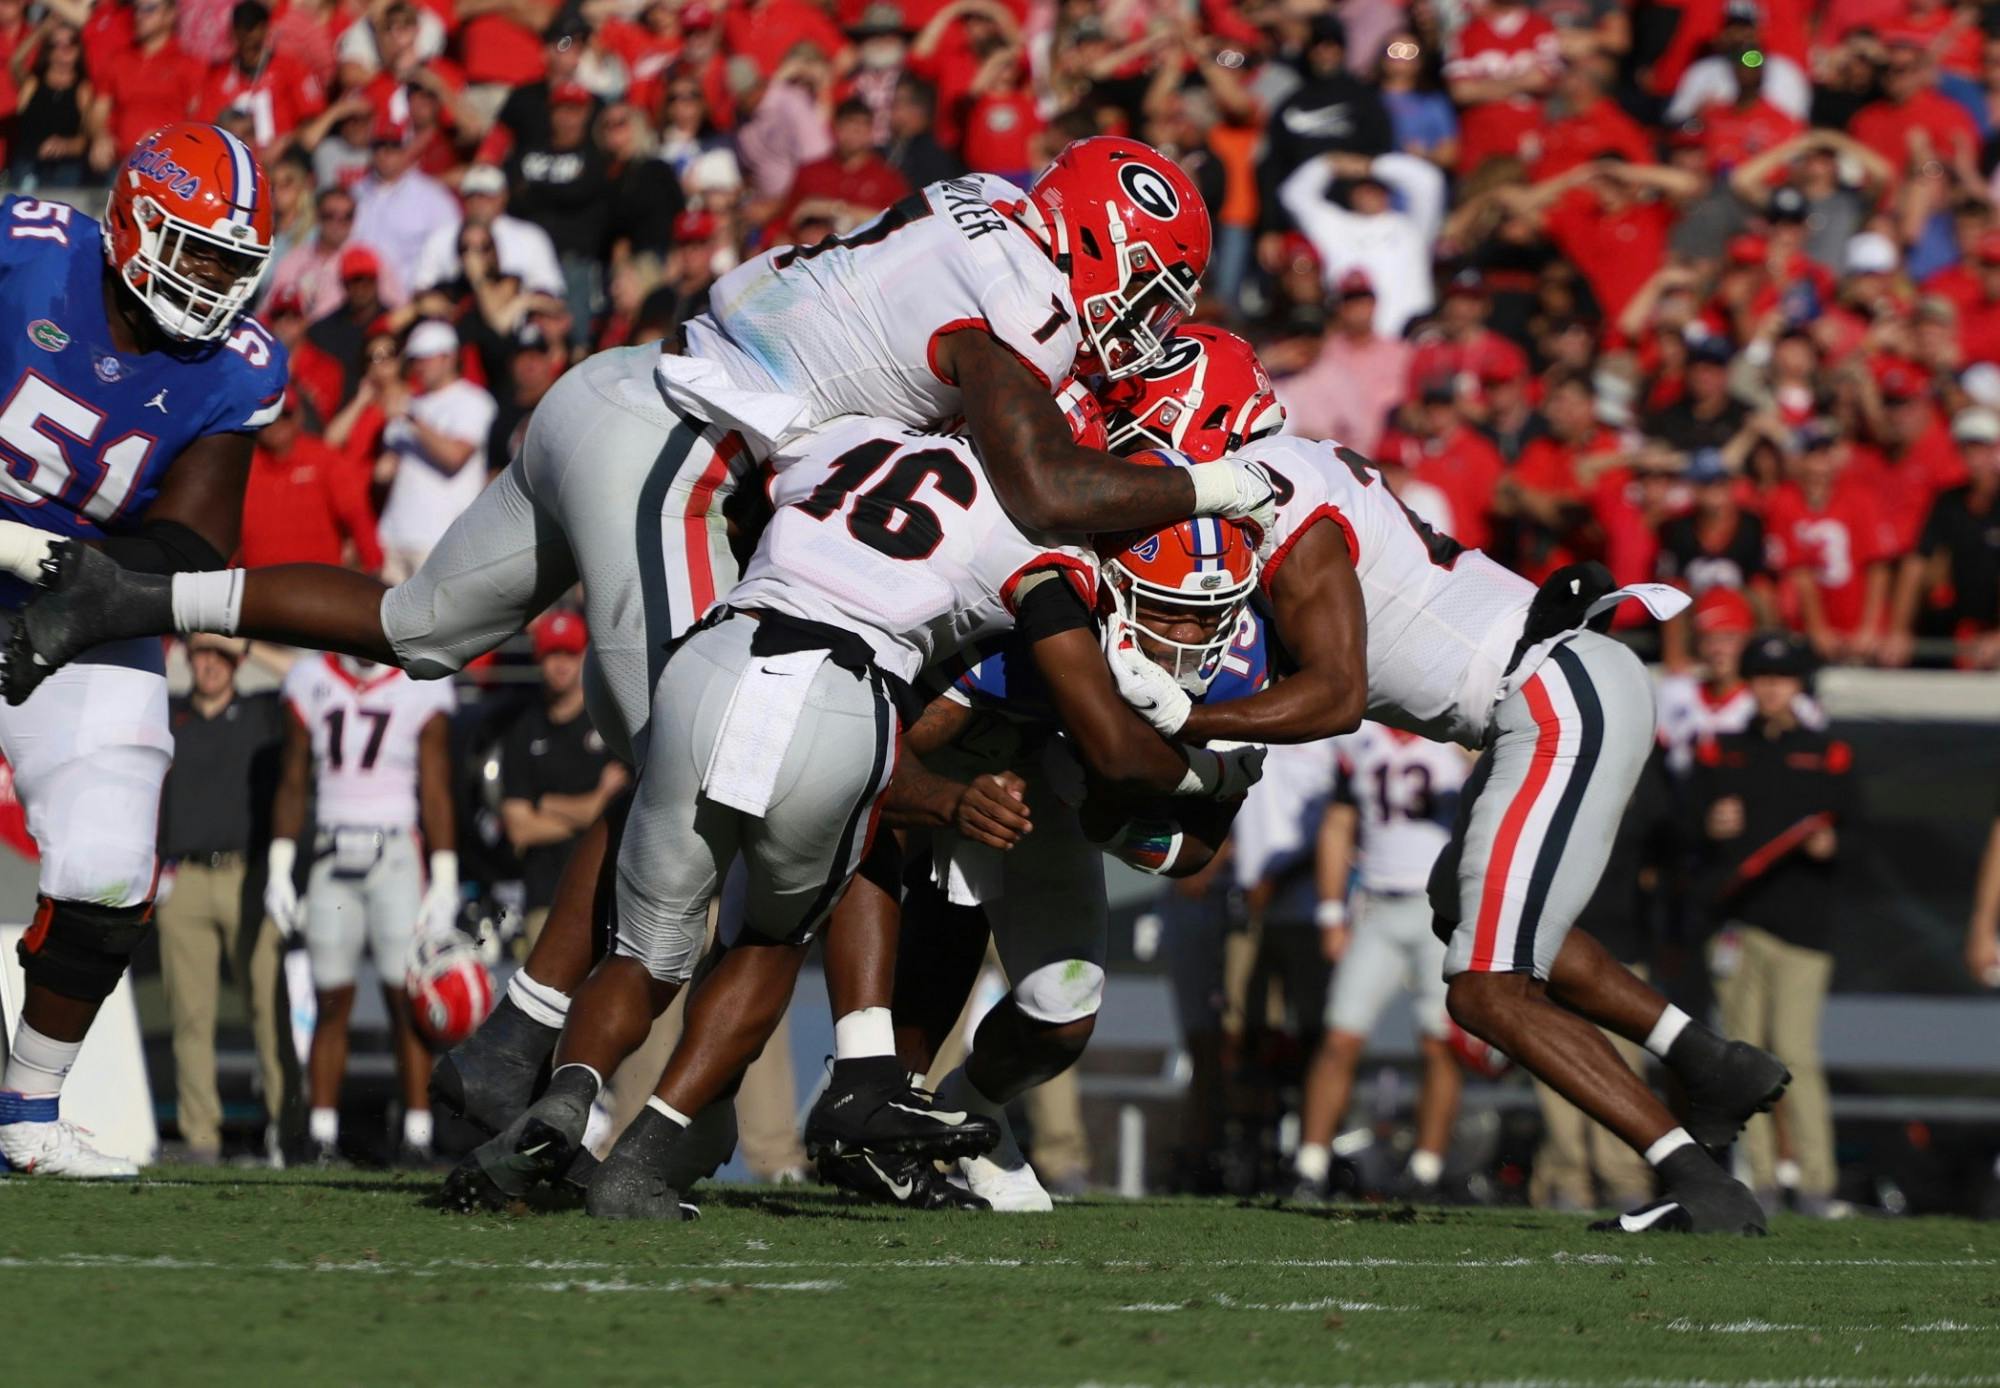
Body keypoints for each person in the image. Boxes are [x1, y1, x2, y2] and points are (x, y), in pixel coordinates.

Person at [4, 139, 1277, 1177]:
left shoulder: (995, 209)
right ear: (1104, 254)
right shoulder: (1018, 302)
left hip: (613, 392)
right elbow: (1046, 486)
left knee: (420, 625)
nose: (1147, 320)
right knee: (698, 749)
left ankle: (127, 592)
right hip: (676, 448)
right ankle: (556, 1047)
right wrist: (1217, 479)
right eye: (1151, 287)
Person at [447, 415, 1262, 1219]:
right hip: (847, 695)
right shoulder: (1038, 552)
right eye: (1168, 611)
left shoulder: (844, 441)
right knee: (772, 937)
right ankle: (755, 1115)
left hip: (719, 648)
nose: (1190, 636)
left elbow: (747, 499)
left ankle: (550, 1071)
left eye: (1206, 617)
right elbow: (1093, 741)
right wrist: (1148, 764)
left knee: (650, 947)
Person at [1099, 328, 1791, 1235]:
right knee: (1464, 913)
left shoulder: (1282, 499)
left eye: (1151, 417)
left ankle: (1696, 1180)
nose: (1140, 444)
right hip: (1548, 691)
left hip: (1552, 696)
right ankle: (1706, 1060)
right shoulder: (1292, 476)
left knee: (1485, 987)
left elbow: (1338, 694)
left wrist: (1192, 722)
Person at [0, 124, 284, 1180]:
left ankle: (27, 1108)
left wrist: (72, 586)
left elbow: (194, 542)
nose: (212, 284)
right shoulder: (24, 252)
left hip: (84, 599)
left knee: (113, 863)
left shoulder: (239, 369)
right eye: (196, 250)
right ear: (133, 219)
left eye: (231, 264)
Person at [266, 651, 458, 1165]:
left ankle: (418, 1136)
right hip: (332, 851)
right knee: (331, 1002)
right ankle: (321, 1134)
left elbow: (436, 785)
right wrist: (279, 865)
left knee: (407, 1001)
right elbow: (293, 776)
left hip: (397, 852)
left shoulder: (421, 684)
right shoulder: (309, 678)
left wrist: (444, 876)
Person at [1696, 633, 1853, 1215]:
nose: (1770, 688)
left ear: (1799, 686)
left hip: (1803, 928)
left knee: (1795, 1053)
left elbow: (1858, 832)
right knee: (1744, 1055)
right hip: (1739, 922)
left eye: (1782, 679)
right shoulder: (1723, 749)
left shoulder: (1829, 751)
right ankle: (1757, 1179)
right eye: (1761, 676)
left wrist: (1832, 845)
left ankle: (1815, 1181)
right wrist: (1710, 824)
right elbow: (1689, 830)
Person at [1289, 724, 1473, 1203]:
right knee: (1340, 1036)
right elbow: (1338, 824)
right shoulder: (1361, 738)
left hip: (1441, 909)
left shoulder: (1457, 735)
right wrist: (1331, 913)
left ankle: (1426, 1171)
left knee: (1439, 1043)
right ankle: (1309, 1164)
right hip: (1377, 904)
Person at [155, 633, 287, 1165]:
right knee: (190, 1015)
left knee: (269, 1008)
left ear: (237, 660)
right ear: (186, 658)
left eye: (220, 654)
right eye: (200, 652)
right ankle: (200, 1136)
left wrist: (248, 646)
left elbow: (308, 677)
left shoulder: (261, 713)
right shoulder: (167, 715)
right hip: (183, 878)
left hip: (246, 875)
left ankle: (287, 1128)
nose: (209, 663)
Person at [499, 612, 625, 949]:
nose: (561, 664)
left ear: (585, 655)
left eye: (569, 653)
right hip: (546, 896)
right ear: (540, 659)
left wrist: (548, 804)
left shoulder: (611, 723)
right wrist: (591, 809)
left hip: (610, 893)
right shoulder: (522, 730)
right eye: (553, 654)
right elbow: (519, 828)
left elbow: (617, 812)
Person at [375, 320, 497, 580]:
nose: (420, 366)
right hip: (394, 536)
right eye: (416, 360)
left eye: (426, 358)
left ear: (449, 357)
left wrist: (412, 420)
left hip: (439, 540)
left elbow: (454, 458)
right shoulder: (411, 402)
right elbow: (385, 472)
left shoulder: (473, 401)